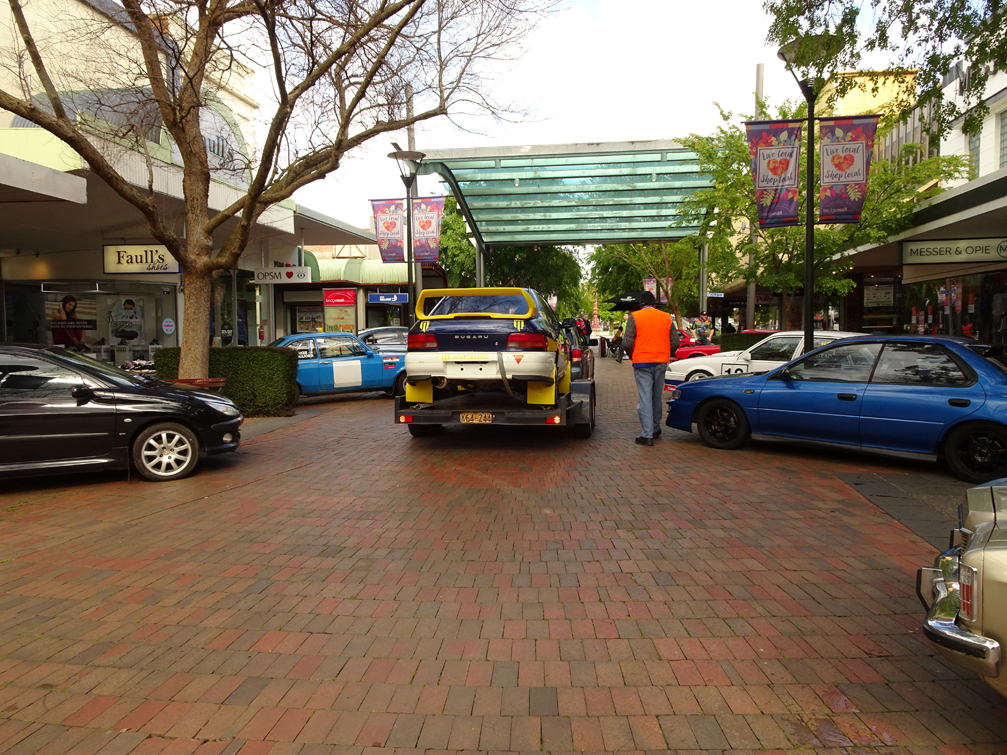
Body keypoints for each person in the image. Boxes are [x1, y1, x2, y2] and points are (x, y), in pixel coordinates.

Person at [622, 291, 679, 446]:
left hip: (642, 362)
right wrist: (666, 352)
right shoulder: (666, 317)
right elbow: (675, 341)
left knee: (645, 398)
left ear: (641, 305)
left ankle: (647, 435)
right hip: (661, 361)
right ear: (654, 304)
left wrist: (633, 355)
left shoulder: (635, 317)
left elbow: (627, 342)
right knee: (656, 396)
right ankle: (655, 428)